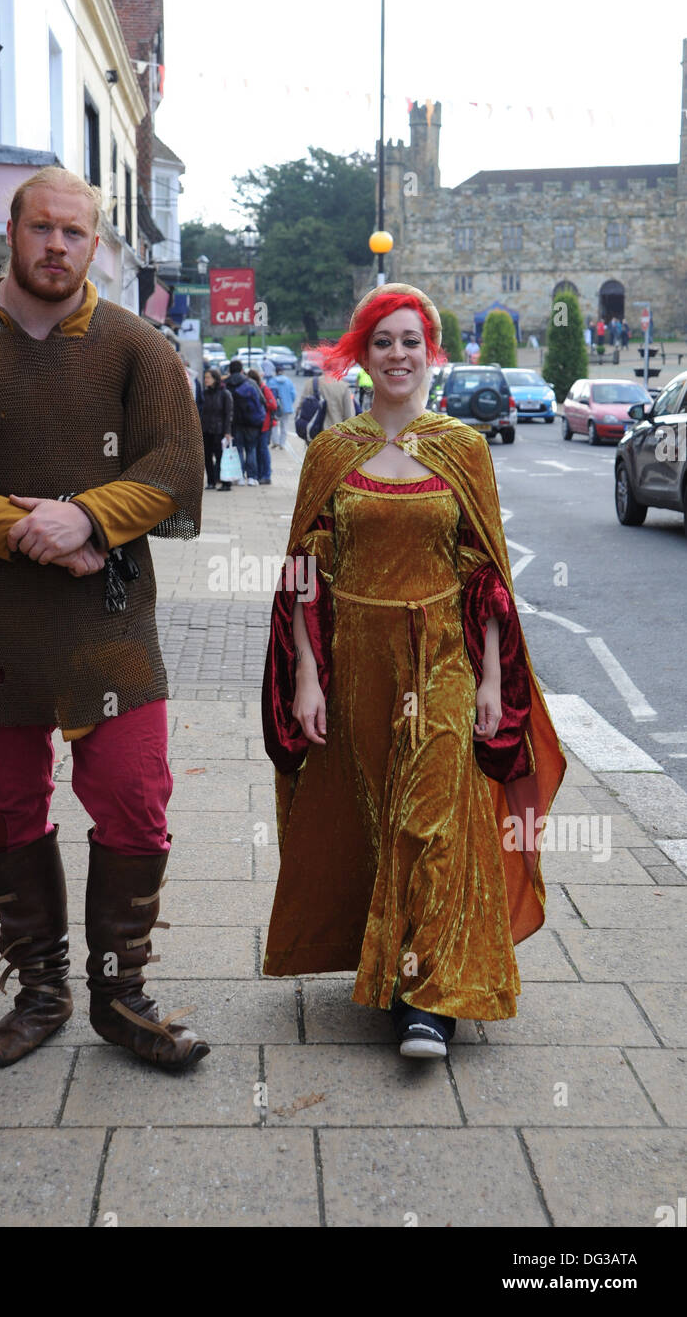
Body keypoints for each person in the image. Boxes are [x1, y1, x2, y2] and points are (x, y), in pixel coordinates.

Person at [0, 166, 210, 1074]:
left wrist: (89, 517)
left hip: (108, 618)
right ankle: (42, 992)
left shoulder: (137, 348)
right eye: (41, 227)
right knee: (7, 810)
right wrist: (37, 534)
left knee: (137, 800)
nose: (57, 245)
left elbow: (173, 471)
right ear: (11, 231)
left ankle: (121, 995)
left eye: (74, 232)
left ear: (95, 245)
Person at [261, 282, 566, 1061]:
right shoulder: (332, 451)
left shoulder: (464, 448)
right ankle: (392, 965)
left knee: (432, 817)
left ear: (430, 353)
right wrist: (306, 675)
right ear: (362, 354)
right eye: (382, 341)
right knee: (376, 817)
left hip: (445, 655)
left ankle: (427, 1000)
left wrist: (493, 678)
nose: (397, 354)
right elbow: (305, 570)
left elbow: (485, 573)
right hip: (356, 659)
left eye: (410, 341)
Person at [224, 358, 264, 484]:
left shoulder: (225, 384)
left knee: (238, 449)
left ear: (229, 370)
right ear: (242, 370)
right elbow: (261, 400)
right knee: (251, 449)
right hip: (251, 422)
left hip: (235, 422)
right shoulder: (250, 382)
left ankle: (240, 477)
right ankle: (252, 477)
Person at [198, 367, 233, 491]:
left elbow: (228, 414)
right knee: (207, 457)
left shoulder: (225, 393)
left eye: (208, 377)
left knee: (221, 457)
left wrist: (227, 431)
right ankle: (211, 482)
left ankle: (226, 482)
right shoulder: (204, 393)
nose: (206, 380)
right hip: (206, 430)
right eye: (205, 377)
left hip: (219, 430)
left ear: (215, 379)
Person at [295, 372, 355, 436]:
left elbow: (300, 408)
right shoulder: (343, 386)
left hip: (313, 433)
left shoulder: (311, 383)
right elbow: (349, 415)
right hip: (335, 434)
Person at [247, 367, 278, 485]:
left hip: (265, 424)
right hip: (258, 424)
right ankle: (261, 475)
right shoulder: (257, 389)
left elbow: (273, 405)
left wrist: (262, 405)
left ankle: (266, 475)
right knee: (259, 450)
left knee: (263, 450)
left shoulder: (264, 389)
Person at [269, 370, 296, 447]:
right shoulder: (288, 381)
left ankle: (275, 441)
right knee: (284, 425)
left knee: (274, 424)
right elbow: (293, 394)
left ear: (276, 372)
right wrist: (289, 402)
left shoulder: (271, 381)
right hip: (286, 407)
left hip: (275, 407)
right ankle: (282, 443)